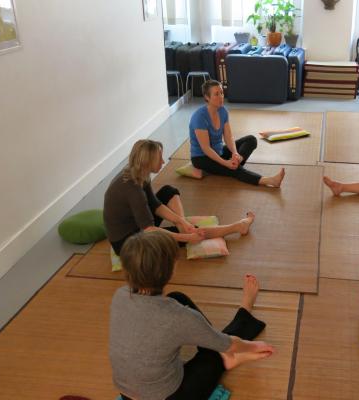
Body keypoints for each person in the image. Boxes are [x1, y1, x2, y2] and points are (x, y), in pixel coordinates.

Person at [110, 231, 274, 400]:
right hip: (171, 397)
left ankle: (222, 355)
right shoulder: (178, 316)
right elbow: (229, 344)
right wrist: (253, 346)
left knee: (177, 297)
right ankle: (241, 321)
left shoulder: (120, 295)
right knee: (214, 354)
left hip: (126, 393)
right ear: (170, 269)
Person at [104, 139, 255, 255]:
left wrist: (181, 221)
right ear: (147, 162)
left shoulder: (139, 172)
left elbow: (154, 204)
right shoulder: (133, 190)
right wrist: (187, 238)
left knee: (168, 191)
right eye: (159, 158)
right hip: (127, 243)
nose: (163, 161)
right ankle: (237, 227)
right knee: (195, 233)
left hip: (136, 223)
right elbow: (149, 230)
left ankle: (183, 228)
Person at [189, 80, 285, 187]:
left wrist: (235, 154)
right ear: (207, 97)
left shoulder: (223, 111)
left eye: (222, 92)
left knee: (251, 140)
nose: (221, 96)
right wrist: (225, 163)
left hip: (219, 151)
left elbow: (228, 136)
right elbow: (206, 148)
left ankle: (235, 163)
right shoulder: (199, 117)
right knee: (234, 169)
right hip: (202, 157)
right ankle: (270, 181)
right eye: (216, 94)